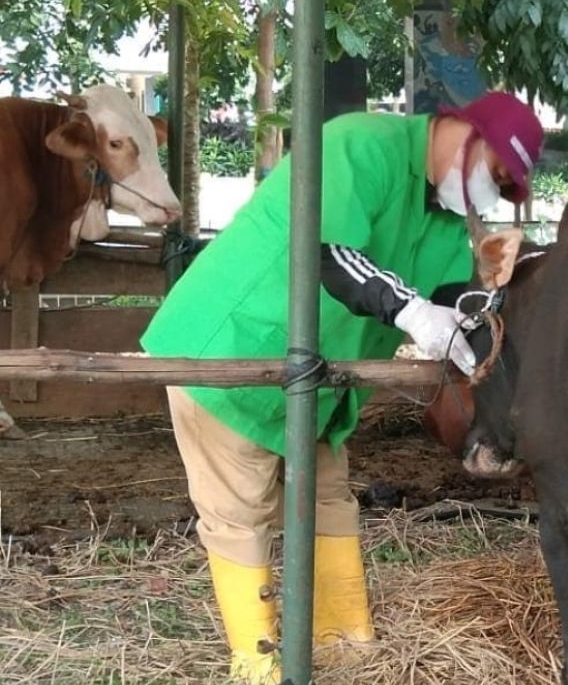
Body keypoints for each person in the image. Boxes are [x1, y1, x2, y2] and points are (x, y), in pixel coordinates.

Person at [140, 92, 543, 684]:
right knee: (240, 507)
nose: (489, 190)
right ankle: (257, 663)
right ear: (460, 128)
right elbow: (327, 251)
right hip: (231, 350)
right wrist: (411, 310)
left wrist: (490, 295)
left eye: (503, 187)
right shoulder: (363, 145)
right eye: (494, 172)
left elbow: (431, 291)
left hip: (318, 378)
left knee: (327, 494)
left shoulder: (442, 220)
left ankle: (348, 646)